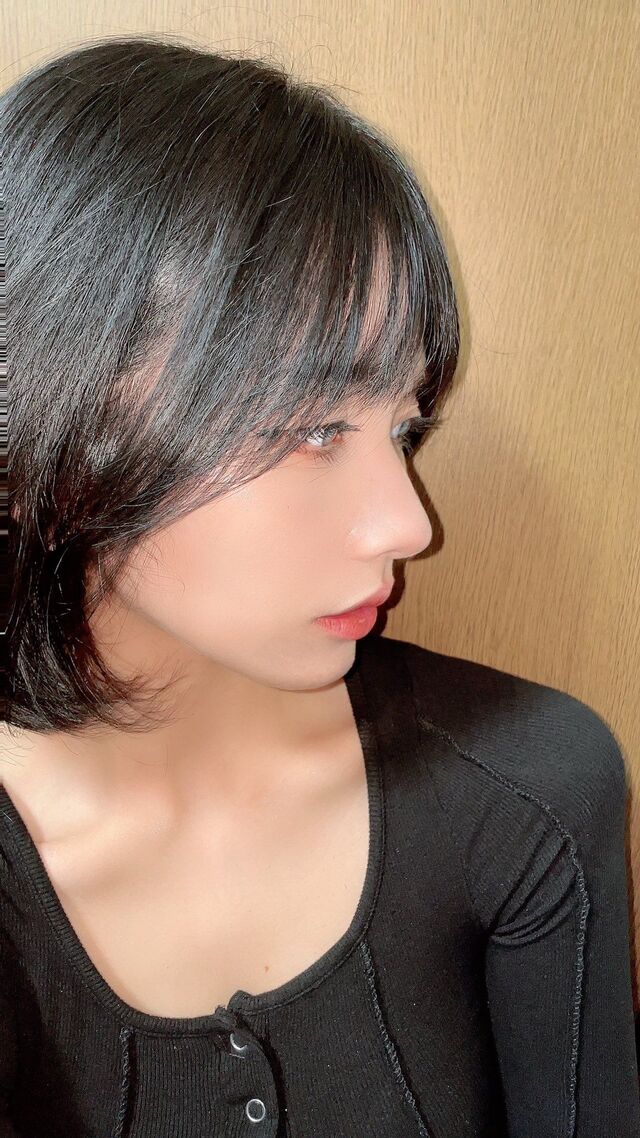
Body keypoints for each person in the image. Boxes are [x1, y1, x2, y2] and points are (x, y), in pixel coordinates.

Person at [1, 34, 638, 1138]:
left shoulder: (526, 787)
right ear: (51, 433)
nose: (408, 524)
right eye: (310, 428)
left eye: (404, 427)